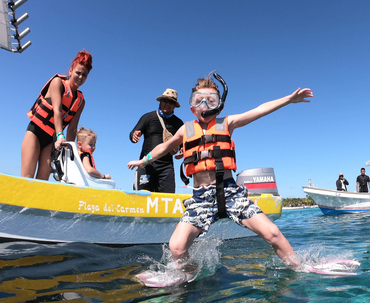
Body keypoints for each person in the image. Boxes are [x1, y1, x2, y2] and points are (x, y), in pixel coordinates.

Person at [127, 73, 313, 276]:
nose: (204, 105)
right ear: (191, 107)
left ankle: (299, 268)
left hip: (230, 193)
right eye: (199, 101)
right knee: (176, 247)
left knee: (273, 233)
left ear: (219, 105)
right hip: (201, 199)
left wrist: (289, 99)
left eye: (211, 100)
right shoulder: (185, 129)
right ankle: (191, 273)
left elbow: (259, 110)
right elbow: (163, 147)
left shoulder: (228, 122)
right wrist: (142, 161)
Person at [21, 51, 92, 180]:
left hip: (51, 141)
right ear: (70, 71)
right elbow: (57, 110)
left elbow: (72, 128)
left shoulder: (81, 101)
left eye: (84, 75)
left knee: (43, 179)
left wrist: (69, 151)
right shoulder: (57, 83)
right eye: (78, 72)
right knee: (27, 176)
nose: (80, 77)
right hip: (36, 132)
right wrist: (60, 135)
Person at [129, 89, 184, 192]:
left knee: (166, 200)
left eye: (171, 102)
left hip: (166, 168)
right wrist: (135, 135)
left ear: (174, 106)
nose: (167, 104)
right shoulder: (148, 117)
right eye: (165, 101)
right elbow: (133, 133)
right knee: (142, 199)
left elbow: (182, 143)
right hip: (146, 165)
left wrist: (183, 150)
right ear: (160, 101)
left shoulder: (178, 123)